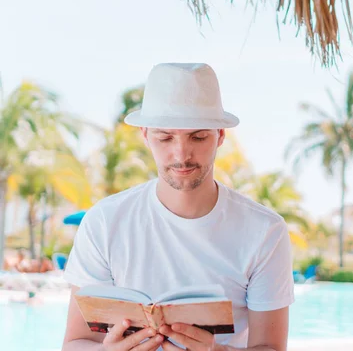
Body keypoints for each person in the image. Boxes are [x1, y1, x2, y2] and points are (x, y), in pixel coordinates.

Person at [61, 63, 295, 351]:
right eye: (165, 137)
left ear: (220, 136)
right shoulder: (105, 222)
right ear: (146, 135)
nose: (181, 154)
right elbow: (75, 344)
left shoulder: (264, 231)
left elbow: (270, 347)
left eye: (198, 137)